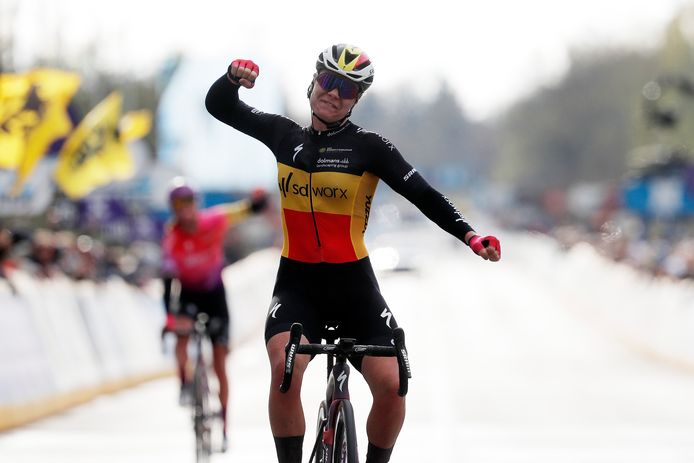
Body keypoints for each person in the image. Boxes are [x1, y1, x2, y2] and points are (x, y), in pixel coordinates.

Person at [205, 44, 501, 463]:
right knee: (285, 370)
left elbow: (423, 195)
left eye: (347, 89)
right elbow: (220, 106)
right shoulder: (282, 134)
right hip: (298, 285)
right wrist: (233, 78)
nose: (334, 94)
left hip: (354, 288)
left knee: (394, 383)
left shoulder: (370, 147)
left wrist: (471, 236)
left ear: (356, 100)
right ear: (314, 82)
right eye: (329, 82)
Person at [161, 179, 268, 452]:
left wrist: (257, 203)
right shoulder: (172, 236)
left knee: (220, 363)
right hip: (188, 295)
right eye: (177, 204)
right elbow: (167, 282)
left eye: (188, 203)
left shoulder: (213, 220)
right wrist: (169, 318)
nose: (184, 209)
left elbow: (244, 210)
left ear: (195, 204)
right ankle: (185, 384)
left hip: (215, 295)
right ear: (173, 208)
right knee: (181, 335)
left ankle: (224, 426)